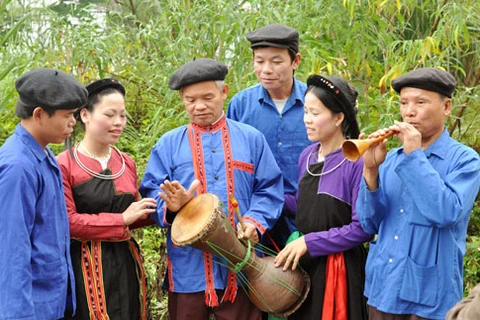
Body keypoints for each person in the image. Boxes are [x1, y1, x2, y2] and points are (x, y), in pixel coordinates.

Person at [139, 58, 284, 320]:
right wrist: (172, 209)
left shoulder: (251, 139)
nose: (199, 106)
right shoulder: (168, 145)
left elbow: (270, 188)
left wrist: (254, 222)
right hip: (188, 270)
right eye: (190, 100)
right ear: (182, 99)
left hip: (242, 267)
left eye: (207, 97)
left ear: (224, 92)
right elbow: (151, 193)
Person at [356, 68, 480, 319]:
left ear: (446, 107)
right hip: (383, 289)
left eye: (420, 102)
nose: (409, 111)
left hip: (431, 296)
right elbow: (368, 223)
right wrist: (371, 171)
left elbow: (446, 213)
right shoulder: (391, 159)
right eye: (403, 103)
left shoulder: (465, 160)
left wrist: (414, 156)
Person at [56, 78, 157, 320]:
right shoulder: (64, 165)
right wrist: (121, 219)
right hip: (85, 265)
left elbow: (134, 217)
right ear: (84, 115)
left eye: (122, 115)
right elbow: (68, 222)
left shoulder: (126, 162)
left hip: (126, 260)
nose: (118, 123)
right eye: (110, 114)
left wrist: (165, 210)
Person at [274, 74, 371, 320]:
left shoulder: (356, 161)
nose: (307, 120)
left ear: (339, 118)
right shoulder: (307, 155)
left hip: (339, 268)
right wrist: (261, 198)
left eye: (315, 113)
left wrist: (311, 242)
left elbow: (362, 228)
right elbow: (303, 205)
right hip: (304, 263)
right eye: (305, 111)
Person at [0, 68, 87, 319]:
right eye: (68, 115)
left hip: (51, 301)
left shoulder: (44, 154)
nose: (73, 122)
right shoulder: (18, 167)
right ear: (39, 114)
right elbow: (11, 251)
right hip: (31, 308)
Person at [227, 24, 310, 251]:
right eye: (260, 61)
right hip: (255, 219)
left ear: (295, 61)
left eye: (276, 61)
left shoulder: (316, 104)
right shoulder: (240, 105)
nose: (266, 69)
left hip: (305, 217)